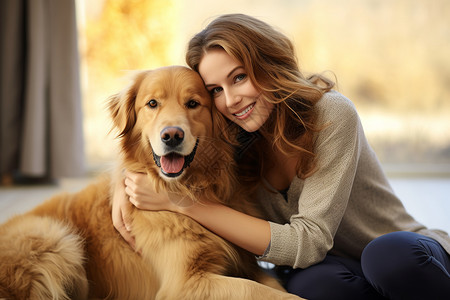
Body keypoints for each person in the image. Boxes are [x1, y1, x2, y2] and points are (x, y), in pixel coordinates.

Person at [112, 14, 450, 299]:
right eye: (216, 90)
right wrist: (121, 187)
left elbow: (310, 241)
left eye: (239, 78)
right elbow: (152, 146)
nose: (231, 100)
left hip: (401, 252)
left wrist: (179, 203)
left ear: (268, 65)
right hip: (333, 267)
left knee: (387, 259)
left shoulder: (331, 114)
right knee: (311, 285)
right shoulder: (232, 136)